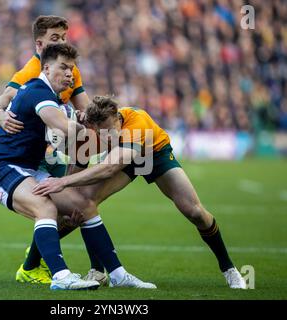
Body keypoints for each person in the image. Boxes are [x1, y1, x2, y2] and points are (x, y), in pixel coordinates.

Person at [0, 44, 156, 290]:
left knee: (84, 205)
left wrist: (77, 122)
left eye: (72, 69)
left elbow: (66, 131)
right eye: (63, 67)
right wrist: (79, 123)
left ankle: (118, 275)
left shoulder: (50, 96)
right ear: (46, 67)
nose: (69, 74)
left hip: (29, 169)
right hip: (2, 169)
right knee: (44, 205)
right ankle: (61, 277)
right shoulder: (37, 91)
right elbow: (65, 128)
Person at [33, 95, 247, 289]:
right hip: (124, 158)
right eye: (103, 132)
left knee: (194, 211)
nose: (109, 135)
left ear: (118, 117)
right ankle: (97, 271)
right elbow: (81, 165)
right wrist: (70, 194)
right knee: (83, 201)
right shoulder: (94, 127)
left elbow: (110, 167)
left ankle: (229, 269)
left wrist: (64, 182)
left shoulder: (137, 124)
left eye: (112, 129)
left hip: (154, 155)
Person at [0, 15, 109, 284]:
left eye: (64, 38)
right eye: (55, 39)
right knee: (48, 206)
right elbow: (5, 98)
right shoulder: (31, 74)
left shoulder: (69, 69)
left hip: (49, 149)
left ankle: (104, 271)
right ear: (39, 44)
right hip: (33, 154)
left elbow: (86, 109)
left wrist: (97, 123)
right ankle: (58, 271)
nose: (61, 42)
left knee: (81, 205)